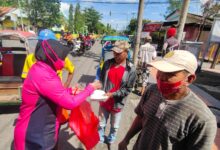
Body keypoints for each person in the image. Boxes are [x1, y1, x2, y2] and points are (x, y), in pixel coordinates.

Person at [118, 50, 217, 150]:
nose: (161, 77)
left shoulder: (203, 119)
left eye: (170, 73)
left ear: (189, 79)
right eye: (160, 70)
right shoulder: (152, 90)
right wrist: (126, 139)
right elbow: (141, 116)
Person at [14, 39, 101, 150]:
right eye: (62, 58)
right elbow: (70, 103)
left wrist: (70, 91)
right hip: (34, 135)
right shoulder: (44, 75)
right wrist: (90, 88)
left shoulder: (43, 69)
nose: (64, 62)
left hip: (40, 129)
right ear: (52, 56)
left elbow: (52, 92)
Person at [97, 40, 137, 144]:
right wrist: (96, 88)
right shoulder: (107, 63)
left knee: (114, 126)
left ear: (126, 52)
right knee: (101, 124)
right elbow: (101, 79)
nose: (116, 55)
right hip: (104, 101)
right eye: (114, 53)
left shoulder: (131, 70)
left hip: (117, 103)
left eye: (118, 53)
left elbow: (128, 89)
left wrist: (113, 94)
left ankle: (110, 140)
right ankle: (100, 141)